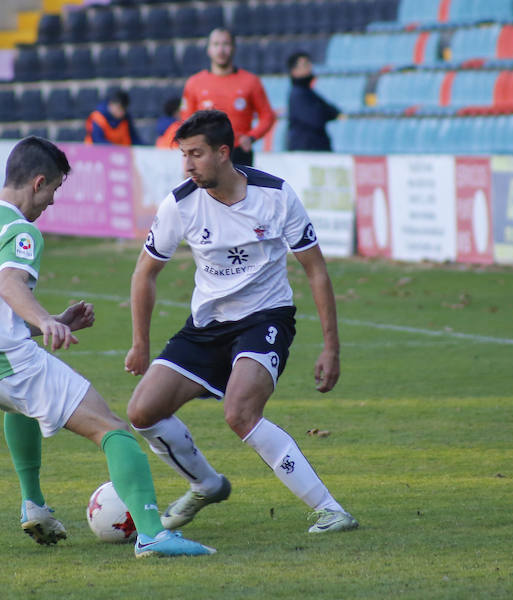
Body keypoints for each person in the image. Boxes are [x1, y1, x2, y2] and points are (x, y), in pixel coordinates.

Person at [0, 136, 214, 558]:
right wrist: (45, 319)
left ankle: (33, 503)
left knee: (22, 404)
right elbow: (10, 285)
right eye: (53, 191)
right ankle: (154, 535)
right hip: (2, 362)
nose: (50, 203)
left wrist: (54, 322)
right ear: (38, 182)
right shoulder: (20, 231)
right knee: (114, 429)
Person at [124, 111, 358, 536]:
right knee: (142, 411)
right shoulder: (180, 203)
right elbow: (145, 273)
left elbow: (316, 270)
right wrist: (141, 342)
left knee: (240, 412)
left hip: (265, 318)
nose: (188, 165)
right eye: (183, 155)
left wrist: (331, 347)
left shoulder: (276, 195)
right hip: (207, 324)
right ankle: (206, 484)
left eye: (196, 154)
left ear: (223, 152)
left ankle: (330, 509)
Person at [180, 28, 275, 166]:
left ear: (234, 48)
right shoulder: (194, 83)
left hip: (239, 152)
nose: (221, 50)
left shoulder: (250, 81)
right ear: (208, 49)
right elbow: (186, 120)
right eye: (216, 44)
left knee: (240, 188)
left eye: (226, 44)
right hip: (206, 151)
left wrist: (252, 137)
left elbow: (268, 116)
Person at [286, 51, 342, 152]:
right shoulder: (298, 94)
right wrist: (324, 112)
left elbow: (334, 111)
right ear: (294, 71)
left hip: (315, 148)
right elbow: (316, 119)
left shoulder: (308, 92)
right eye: (305, 65)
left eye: (309, 63)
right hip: (306, 150)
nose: (310, 67)